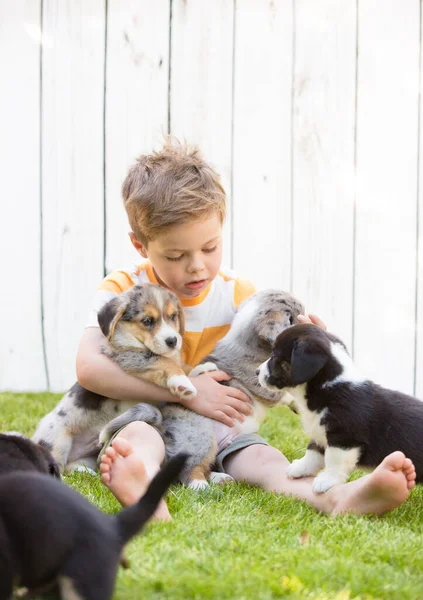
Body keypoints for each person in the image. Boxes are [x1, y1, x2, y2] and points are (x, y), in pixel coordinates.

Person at [76, 138, 415, 521]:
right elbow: (88, 367)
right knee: (139, 438)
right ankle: (145, 488)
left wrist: (312, 357)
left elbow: (280, 367)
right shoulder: (124, 290)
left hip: (226, 431)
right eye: (176, 255)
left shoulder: (241, 296)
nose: (197, 267)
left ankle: (339, 499)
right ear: (140, 245)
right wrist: (187, 392)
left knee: (266, 459)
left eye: (210, 247)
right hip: (149, 416)